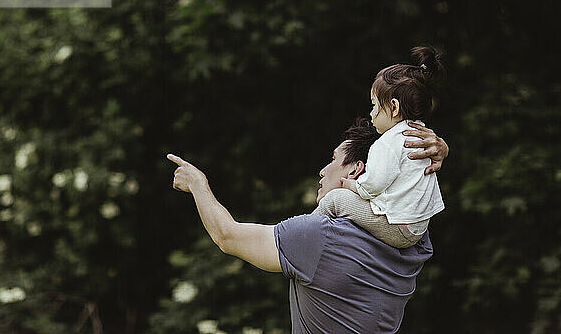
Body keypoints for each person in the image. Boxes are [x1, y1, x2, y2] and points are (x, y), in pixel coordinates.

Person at [167, 120, 448, 333]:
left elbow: (226, 236)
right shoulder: (414, 242)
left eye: (334, 159)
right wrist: (438, 150)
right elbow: (413, 194)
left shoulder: (318, 237)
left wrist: (197, 183)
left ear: (355, 170)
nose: (323, 170)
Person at [314, 46, 445, 248]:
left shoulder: (387, 142)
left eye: (374, 105)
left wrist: (352, 186)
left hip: (398, 226)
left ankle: (302, 229)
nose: (372, 114)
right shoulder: (422, 135)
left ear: (393, 107)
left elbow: (374, 184)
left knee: (336, 199)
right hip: (418, 226)